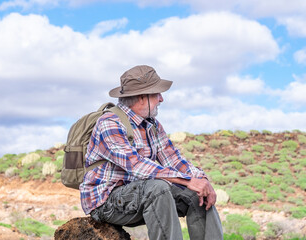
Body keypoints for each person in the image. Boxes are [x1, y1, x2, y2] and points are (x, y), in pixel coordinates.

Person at [80, 65, 223, 240]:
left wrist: (202, 181)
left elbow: (173, 159)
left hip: (141, 197)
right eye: (157, 94)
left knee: (196, 195)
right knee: (158, 187)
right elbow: (136, 165)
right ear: (142, 97)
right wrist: (187, 180)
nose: (161, 99)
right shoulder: (109, 123)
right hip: (106, 202)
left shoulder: (152, 125)